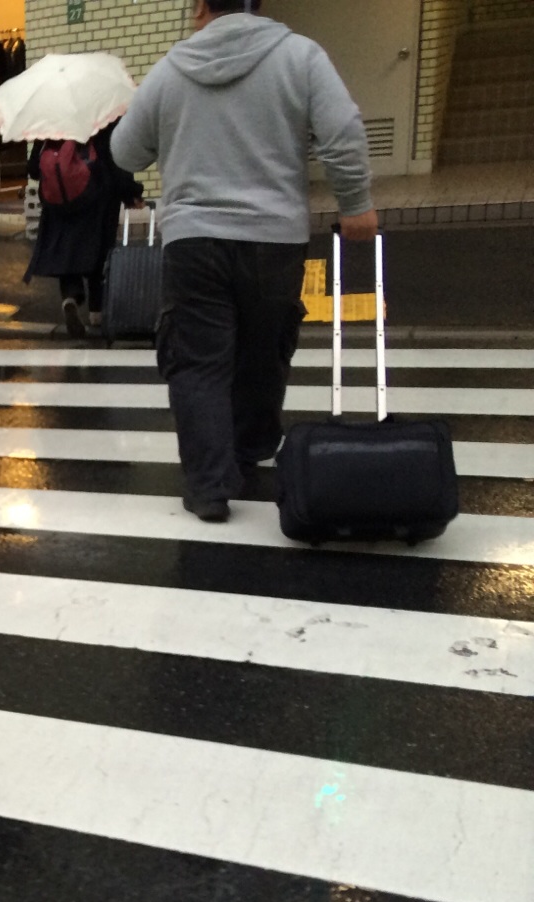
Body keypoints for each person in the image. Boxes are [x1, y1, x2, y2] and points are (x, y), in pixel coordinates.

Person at [112, 0, 376, 523]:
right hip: (275, 238)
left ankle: (209, 486)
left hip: (193, 241)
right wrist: (355, 204)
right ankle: (251, 448)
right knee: (265, 348)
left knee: (198, 361)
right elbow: (342, 131)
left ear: (200, 7)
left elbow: (125, 152)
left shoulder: (169, 70)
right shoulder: (300, 56)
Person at [24, 122, 144, 338]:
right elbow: (115, 158)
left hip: (59, 203)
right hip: (97, 197)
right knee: (98, 251)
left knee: (66, 251)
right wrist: (131, 192)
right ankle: (97, 313)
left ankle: (70, 297)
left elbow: (33, 168)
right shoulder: (102, 118)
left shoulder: (51, 119)